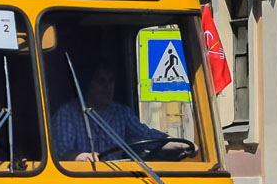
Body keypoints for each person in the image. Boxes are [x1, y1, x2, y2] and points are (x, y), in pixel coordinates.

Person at [52, 62, 194, 161]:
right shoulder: (67, 113)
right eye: (101, 81)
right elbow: (63, 153)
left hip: (117, 180)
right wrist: (81, 157)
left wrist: (181, 145)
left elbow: (149, 136)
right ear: (87, 84)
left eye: (111, 81)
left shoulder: (121, 113)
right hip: (82, 181)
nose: (108, 87)